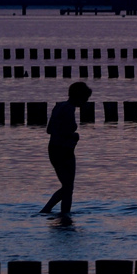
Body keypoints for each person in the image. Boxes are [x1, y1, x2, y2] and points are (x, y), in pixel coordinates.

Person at [40, 82, 91, 215]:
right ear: (79, 97)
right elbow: (64, 131)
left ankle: (61, 214)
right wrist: (74, 135)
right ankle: (50, 210)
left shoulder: (59, 106)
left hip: (53, 149)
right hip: (64, 151)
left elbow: (49, 130)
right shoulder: (69, 109)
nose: (86, 102)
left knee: (67, 186)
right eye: (85, 99)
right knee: (68, 187)